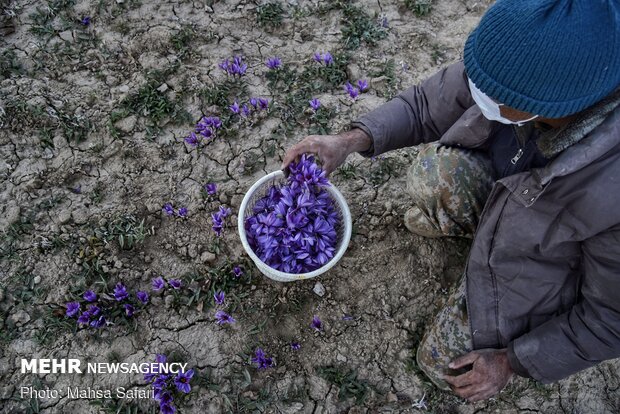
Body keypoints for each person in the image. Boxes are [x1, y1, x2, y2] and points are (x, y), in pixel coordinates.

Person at [282, 0, 620, 402]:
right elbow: (431, 100)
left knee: (442, 365)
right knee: (433, 178)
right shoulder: (521, 67)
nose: (479, 94)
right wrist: (351, 140)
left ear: (553, 106)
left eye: (495, 94)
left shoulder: (609, 188)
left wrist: (514, 360)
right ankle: (476, 233)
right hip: (511, 205)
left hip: (540, 274)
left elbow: (611, 320)